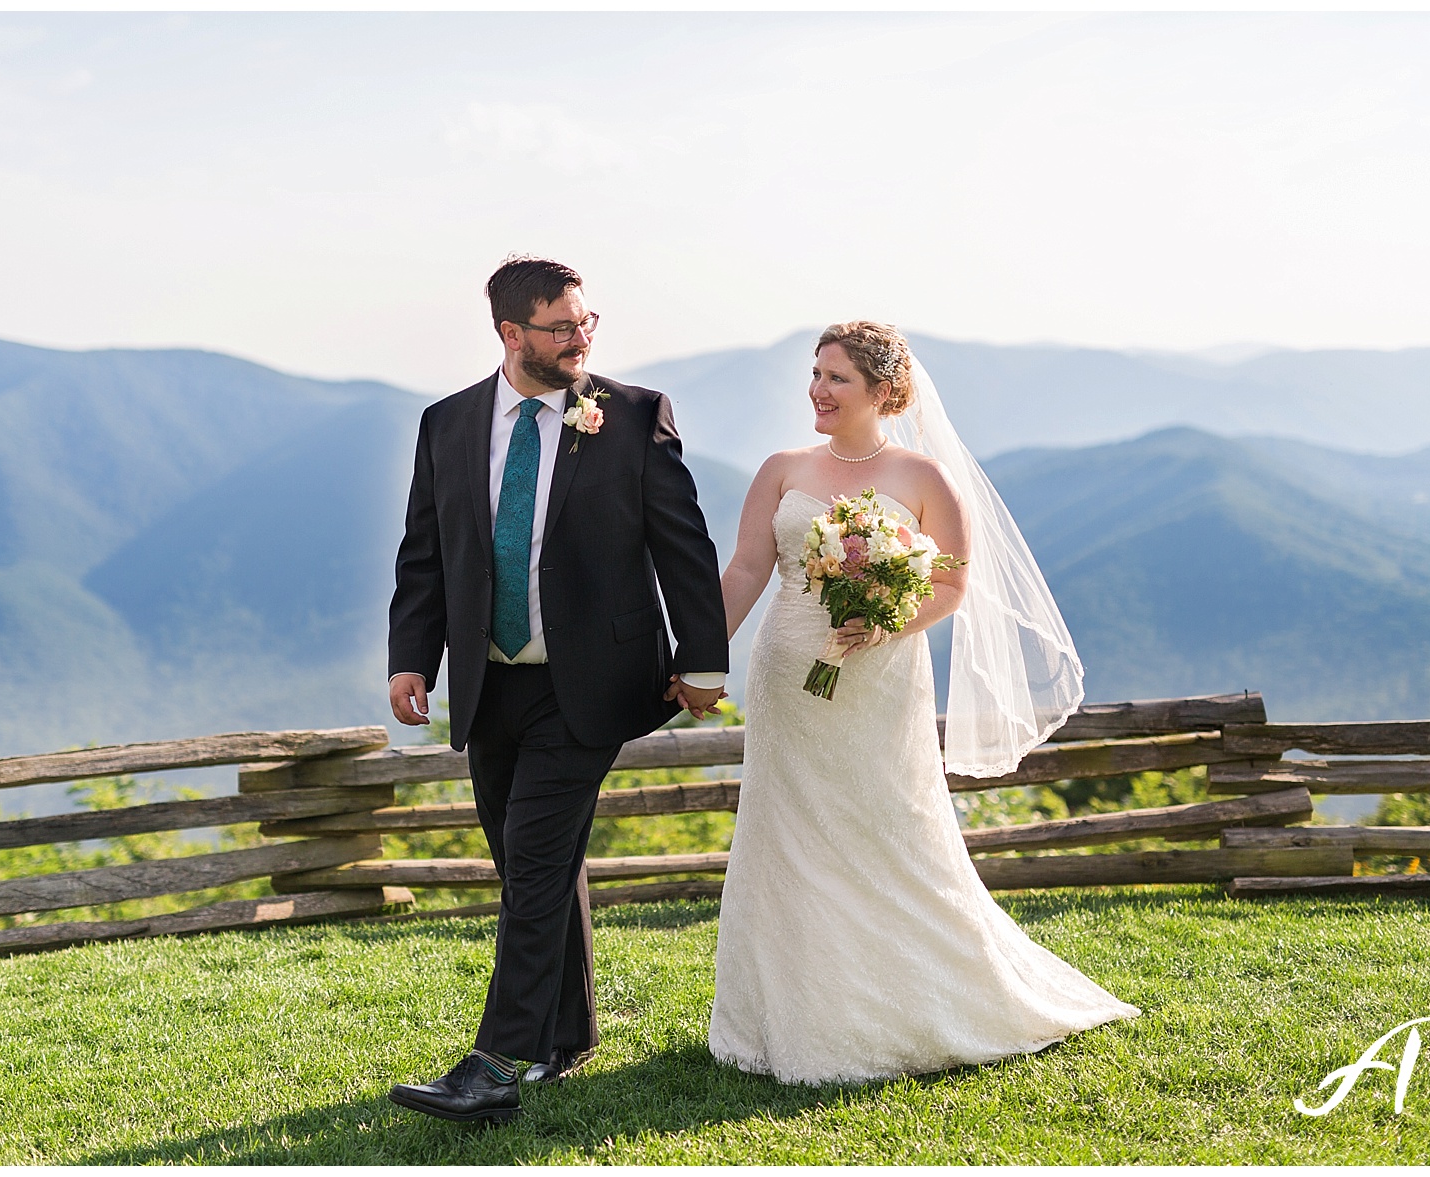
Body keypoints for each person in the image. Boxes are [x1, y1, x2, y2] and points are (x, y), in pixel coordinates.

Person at [708, 321, 1139, 1085]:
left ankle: (917, 997)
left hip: (877, 677)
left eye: (836, 377)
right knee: (786, 829)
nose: (818, 389)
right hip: (787, 675)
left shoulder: (923, 478)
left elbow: (949, 584)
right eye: (815, 373)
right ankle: (785, 1014)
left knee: (883, 822)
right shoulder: (780, 468)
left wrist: (879, 622)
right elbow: (745, 568)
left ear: (883, 390)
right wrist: (699, 656)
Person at [385, 256, 730, 1122]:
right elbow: (426, 550)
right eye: (559, 327)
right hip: (490, 685)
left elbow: (681, 543)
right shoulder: (448, 422)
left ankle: (495, 1062)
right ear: (510, 333)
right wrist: (411, 657)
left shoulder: (634, 414)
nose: (579, 338)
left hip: (594, 684)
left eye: (586, 322)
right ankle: (566, 1036)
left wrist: (703, 660)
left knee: (534, 865)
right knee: (530, 866)